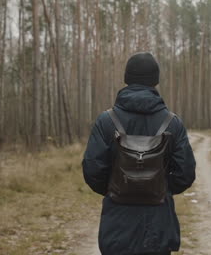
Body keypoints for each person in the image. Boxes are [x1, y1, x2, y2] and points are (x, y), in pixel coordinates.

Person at [82, 52, 196, 255]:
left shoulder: (105, 121)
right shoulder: (173, 122)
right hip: (158, 226)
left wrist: (117, 188)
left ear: (127, 78)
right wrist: (158, 187)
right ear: (155, 80)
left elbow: (93, 170)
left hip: (117, 224)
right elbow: (185, 174)